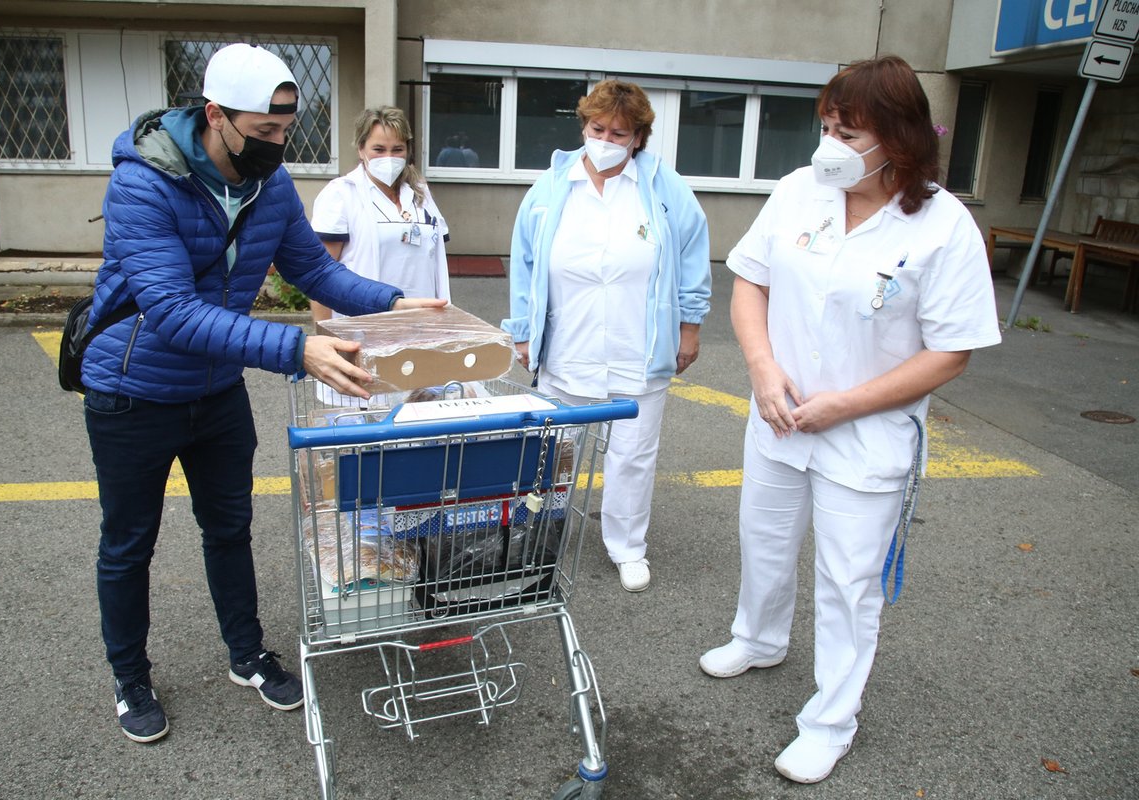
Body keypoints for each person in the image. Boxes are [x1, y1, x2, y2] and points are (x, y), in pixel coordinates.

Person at [81, 43, 444, 744]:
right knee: (129, 542)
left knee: (230, 528)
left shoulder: (267, 182)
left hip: (214, 389)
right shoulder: (142, 183)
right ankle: (129, 676)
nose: (279, 145)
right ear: (215, 115)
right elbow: (171, 311)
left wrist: (397, 304)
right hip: (134, 390)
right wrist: (296, 349)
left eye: (288, 131)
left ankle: (245, 654)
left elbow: (316, 273)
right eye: (266, 131)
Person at [699, 56, 1001, 783]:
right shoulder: (800, 191)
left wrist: (845, 404)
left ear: (898, 138)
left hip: (865, 435)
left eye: (849, 130)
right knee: (763, 539)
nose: (830, 143)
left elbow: (951, 352)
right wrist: (764, 371)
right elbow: (750, 286)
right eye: (826, 125)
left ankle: (830, 721)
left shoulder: (943, 224)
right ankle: (759, 638)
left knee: (848, 580)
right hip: (778, 415)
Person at [502, 79, 711, 593]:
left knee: (633, 453)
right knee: (552, 449)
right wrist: (524, 333)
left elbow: (691, 257)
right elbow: (525, 264)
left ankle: (627, 546)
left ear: (639, 137)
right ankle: (537, 539)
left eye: (620, 133)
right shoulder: (552, 187)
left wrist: (690, 327)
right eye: (598, 128)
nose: (606, 139)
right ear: (584, 126)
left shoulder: (665, 189)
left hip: (637, 347)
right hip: (567, 345)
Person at [310, 106, 451, 323]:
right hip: (363, 326)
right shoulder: (341, 194)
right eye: (378, 149)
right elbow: (320, 275)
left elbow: (434, 262)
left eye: (397, 149)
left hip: (422, 325)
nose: (389, 157)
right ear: (361, 149)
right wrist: (325, 333)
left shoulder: (419, 193)